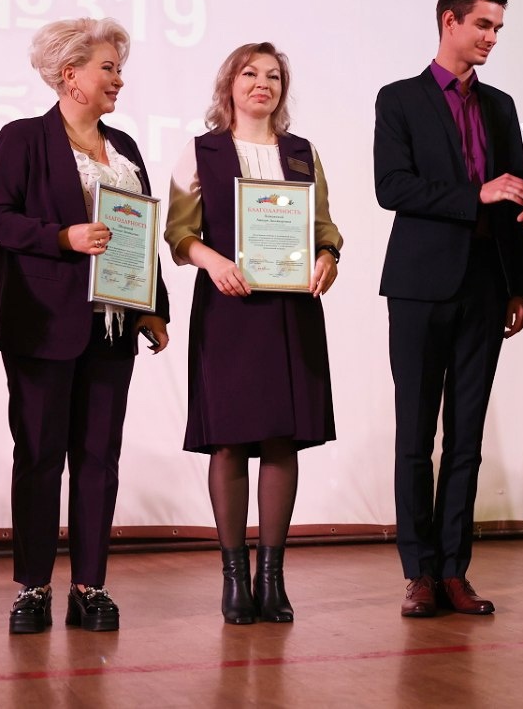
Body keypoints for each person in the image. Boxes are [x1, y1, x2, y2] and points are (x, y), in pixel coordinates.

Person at [0, 17, 170, 635]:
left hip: (112, 327)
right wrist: (62, 237)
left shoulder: (126, 148)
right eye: (108, 68)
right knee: (39, 457)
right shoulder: (23, 138)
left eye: (119, 68)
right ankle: (32, 586)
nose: (119, 79)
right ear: (71, 75)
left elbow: (140, 234)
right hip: (43, 325)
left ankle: (90, 585)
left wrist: (152, 306)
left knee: (98, 458)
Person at [374, 0, 523, 617]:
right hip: (419, 288)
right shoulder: (399, 99)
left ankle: (453, 570)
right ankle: (418, 571)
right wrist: (477, 193)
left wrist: (519, 285)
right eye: (483, 25)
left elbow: (515, 194)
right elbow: (392, 187)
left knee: (466, 436)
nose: (492, 37)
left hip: (486, 287)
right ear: (450, 21)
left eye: (498, 28)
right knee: (416, 435)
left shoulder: (501, 106)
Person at [165, 42, 341, 625]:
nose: (262, 83)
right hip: (229, 309)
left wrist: (327, 258)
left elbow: (324, 227)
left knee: (282, 440)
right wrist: (213, 262)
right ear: (230, 84)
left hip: (291, 312)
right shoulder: (201, 152)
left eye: (273, 76)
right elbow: (179, 233)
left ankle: (272, 579)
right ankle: (235, 579)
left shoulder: (302, 153)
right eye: (250, 73)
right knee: (230, 441)